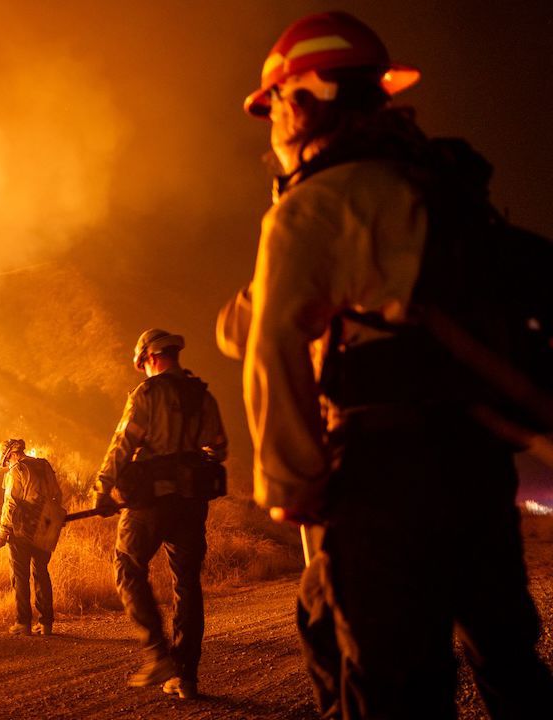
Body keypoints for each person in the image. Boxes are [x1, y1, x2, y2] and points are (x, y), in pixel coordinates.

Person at [218, 11, 553, 718]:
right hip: (476, 461)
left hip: (381, 475)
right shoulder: (438, 185)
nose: (271, 122)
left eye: (274, 103)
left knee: (394, 686)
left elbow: (273, 347)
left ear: (306, 98)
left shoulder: (311, 206)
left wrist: (292, 484)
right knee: (508, 662)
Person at [93, 329, 227, 700]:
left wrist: (102, 488)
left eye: (143, 365)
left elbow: (123, 444)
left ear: (150, 358)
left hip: (152, 501)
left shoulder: (147, 394)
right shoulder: (202, 395)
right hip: (191, 503)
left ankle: (157, 654)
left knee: (127, 566)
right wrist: (190, 459)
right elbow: (219, 448)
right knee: (187, 584)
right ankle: (186, 677)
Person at [0, 438, 62, 636]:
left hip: (22, 530)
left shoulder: (16, 471)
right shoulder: (44, 465)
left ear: (11, 454)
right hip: (45, 528)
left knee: (20, 576)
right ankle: (46, 624)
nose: (8, 464)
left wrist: (2, 533)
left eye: (7, 460)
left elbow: (11, 504)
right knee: (41, 573)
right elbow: (57, 495)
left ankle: (23, 623)